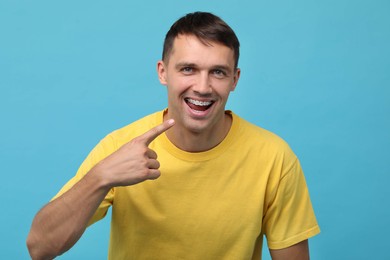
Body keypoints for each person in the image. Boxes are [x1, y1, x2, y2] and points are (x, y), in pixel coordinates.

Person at [26, 11, 320, 260]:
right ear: (163, 72)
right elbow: (39, 247)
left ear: (235, 80)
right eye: (188, 69)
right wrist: (101, 176)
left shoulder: (273, 157)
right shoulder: (121, 146)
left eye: (218, 72)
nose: (203, 87)